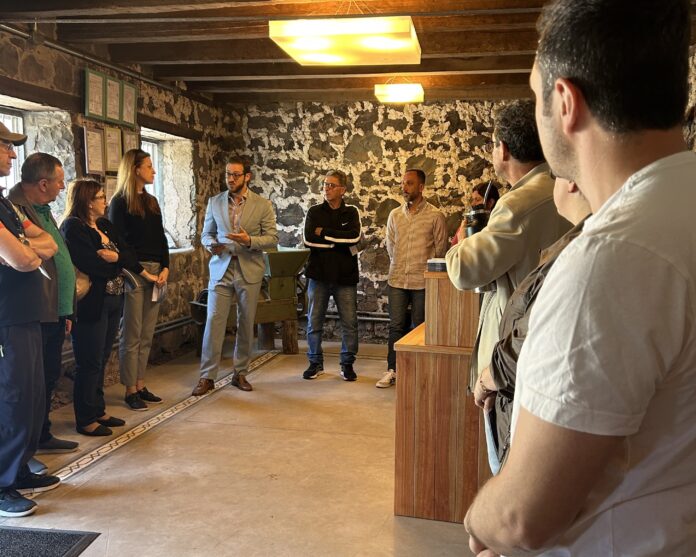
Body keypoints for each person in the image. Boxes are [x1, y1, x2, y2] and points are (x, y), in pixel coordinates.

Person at [464, 1, 696, 555]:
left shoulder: (607, 259)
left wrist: (475, 521)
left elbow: (521, 517)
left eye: (535, 95)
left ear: (565, 103)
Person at [445, 100, 570, 455]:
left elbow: (462, 270)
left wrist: (465, 237)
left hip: (515, 355)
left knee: (507, 457)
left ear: (502, 149)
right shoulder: (563, 187)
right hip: (552, 345)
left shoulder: (517, 205)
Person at [473, 176, 590, 473]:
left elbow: (465, 268)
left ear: (572, 183)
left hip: (532, 402)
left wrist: (489, 377)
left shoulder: (582, 251)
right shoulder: (581, 242)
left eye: (556, 177)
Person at [0, 125, 61, 518]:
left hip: (26, 314)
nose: (12, 154)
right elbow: (23, 260)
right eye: (6, 146)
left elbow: (47, 243)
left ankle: (18, 469)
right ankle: (2, 485)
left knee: (31, 398)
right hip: (5, 318)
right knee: (11, 398)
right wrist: (23, 249)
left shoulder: (5, 204)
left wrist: (21, 246)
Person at [9, 153, 79, 455]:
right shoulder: (15, 207)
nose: (63, 187)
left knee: (48, 376)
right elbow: (26, 255)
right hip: (32, 310)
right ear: (42, 183)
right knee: (29, 387)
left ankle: (41, 434)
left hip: (54, 308)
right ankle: (27, 449)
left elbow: (52, 249)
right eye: (59, 181)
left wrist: (67, 308)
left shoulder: (42, 209)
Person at [191, 156, 278, 396]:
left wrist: (249, 240)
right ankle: (207, 376)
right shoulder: (215, 202)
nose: (230, 178)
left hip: (249, 268)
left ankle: (240, 373)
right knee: (213, 320)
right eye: (228, 174)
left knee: (245, 322)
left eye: (236, 174)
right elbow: (206, 234)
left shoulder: (262, 205)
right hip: (221, 267)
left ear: (247, 177)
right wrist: (210, 244)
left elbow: (272, 238)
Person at [61, 180, 139, 436]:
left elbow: (129, 254)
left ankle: (98, 409)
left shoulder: (104, 224)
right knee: (89, 361)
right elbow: (91, 265)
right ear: (87, 202)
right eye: (101, 197)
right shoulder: (74, 227)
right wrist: (117, 266)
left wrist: (116, 258)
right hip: (91, 304)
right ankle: (85, 419)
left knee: (103, 357)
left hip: (113, 300)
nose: (105, 201)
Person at [376, 168, 447, 388]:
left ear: (421, 187)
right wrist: (400, 263)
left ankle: (419, 373)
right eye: (403, 183)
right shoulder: (395, 215)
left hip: (422, 282)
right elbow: (391, 246)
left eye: (409, 183)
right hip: (397, 279)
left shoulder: (435, 215)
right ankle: (393, 370)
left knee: (421, 327)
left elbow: (440, 249)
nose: (404, 188)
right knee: (396, 326)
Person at [108, 149, 168, 411]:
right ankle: (130, 389)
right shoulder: (120, 202)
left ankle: (141, 383)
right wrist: (142, 272)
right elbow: (120, 243)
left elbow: (161, 238)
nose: (153, 171)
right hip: (134, 271)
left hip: (156, 271)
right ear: (135, 169)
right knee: (131, 334)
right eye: (149, 166)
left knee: (146, 334)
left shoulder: (152, 201)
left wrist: (166, 267)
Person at [302, 170, 361, 381]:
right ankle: (315, 362)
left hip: (345, 276)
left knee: (349, 322)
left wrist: (325, 233)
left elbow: (354, 238)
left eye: (331, 185)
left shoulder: (351, 212)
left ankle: (347, 364)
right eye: (325, 185)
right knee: (314, 321)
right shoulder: (314, 212)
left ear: (342, 190)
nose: (326, 188)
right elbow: (308, 240)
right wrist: (337, 241)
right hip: (318, 275)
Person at [450, 182, 501, 246]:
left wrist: (462, 241)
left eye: (477, 200)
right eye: (473, 200)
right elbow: (453, 248)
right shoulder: (466, 225)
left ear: (490, 202)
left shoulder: (499, 226)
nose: (473, 204)